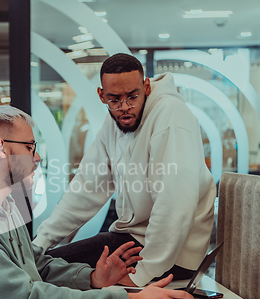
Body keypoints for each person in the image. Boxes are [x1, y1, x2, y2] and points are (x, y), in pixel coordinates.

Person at [0, 105, 194, 299]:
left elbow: (37, 267)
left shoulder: (1, 206)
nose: (37, 156)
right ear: (1, 148)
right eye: (29, 147)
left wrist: (92, 279)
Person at [33, 53, 217, 287]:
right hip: (133, 240)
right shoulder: (115, 123)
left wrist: (140, 275)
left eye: (133, 97)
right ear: (102, 96)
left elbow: (175, 201)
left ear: (147, 87)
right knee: (44, 265)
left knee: (49, 272)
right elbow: (87, 188)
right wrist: (40, 243)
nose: (125, 107)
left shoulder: (170, 116)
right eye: (115, 100)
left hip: (174, 257)